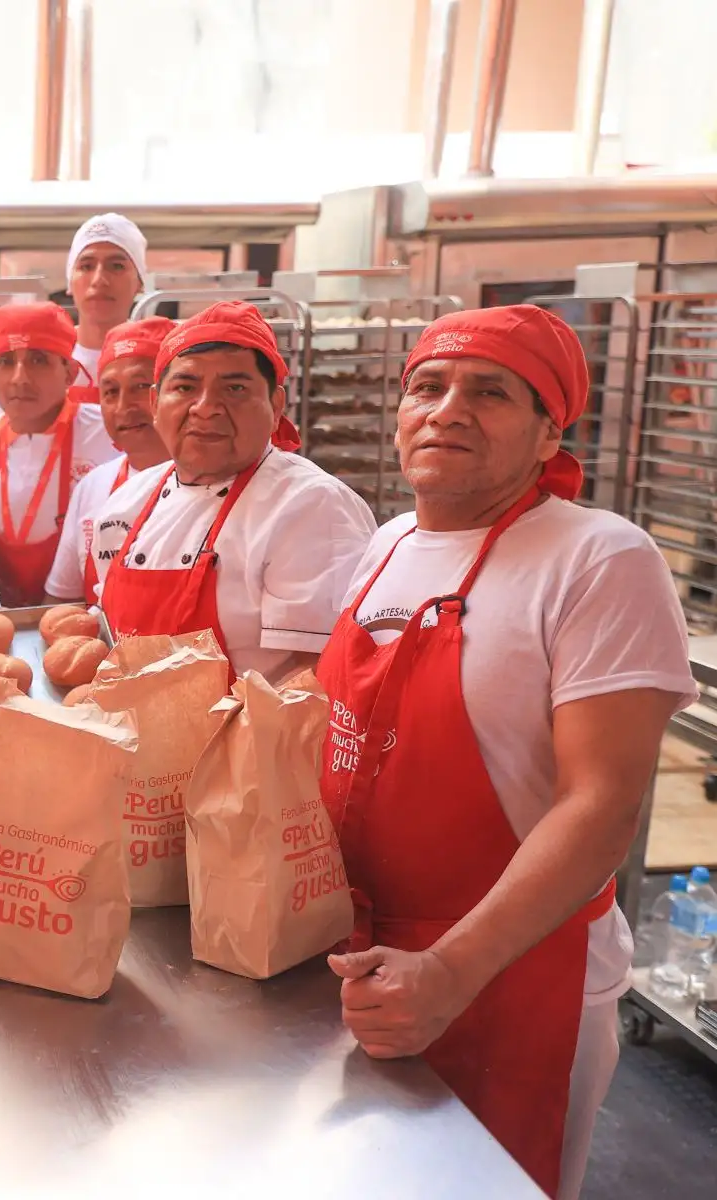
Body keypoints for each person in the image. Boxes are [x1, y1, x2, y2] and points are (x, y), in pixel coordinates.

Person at [318, 305, 694, 1200]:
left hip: (513, 982)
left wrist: (448, 970)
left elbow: (599, 806)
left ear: (547, 432)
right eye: (428, 387)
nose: (446, 410)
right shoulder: (386, 545)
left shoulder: (599, 559)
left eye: (488, 392)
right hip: (357, 964)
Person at [91, 300, 375, 680]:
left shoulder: (312, 508)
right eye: (186, 386)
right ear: (156, 403)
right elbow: (109, 634)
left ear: (276, 406)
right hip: (125, 732)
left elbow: (317, 676)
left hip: (252, 737)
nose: (206, 408)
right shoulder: (125, 504)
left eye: (236, 388)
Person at [0, 303, 115, 605]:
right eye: (6, 361)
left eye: (38, 360)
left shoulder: (109, 435)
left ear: (70, 373)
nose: (20, 377)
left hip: (82, 620)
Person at [45, 317, 175, 603]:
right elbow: (62, 603)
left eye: (141, 386)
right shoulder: (92, 487)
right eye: (110, 392)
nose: (123, 406)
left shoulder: (213, 487)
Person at [65, 213, 148, 381]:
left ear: (140, 282)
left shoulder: (157, 361)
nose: (99, 280)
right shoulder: (47, 360)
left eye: (116, 266)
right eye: (86, 266)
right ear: (70, 282)